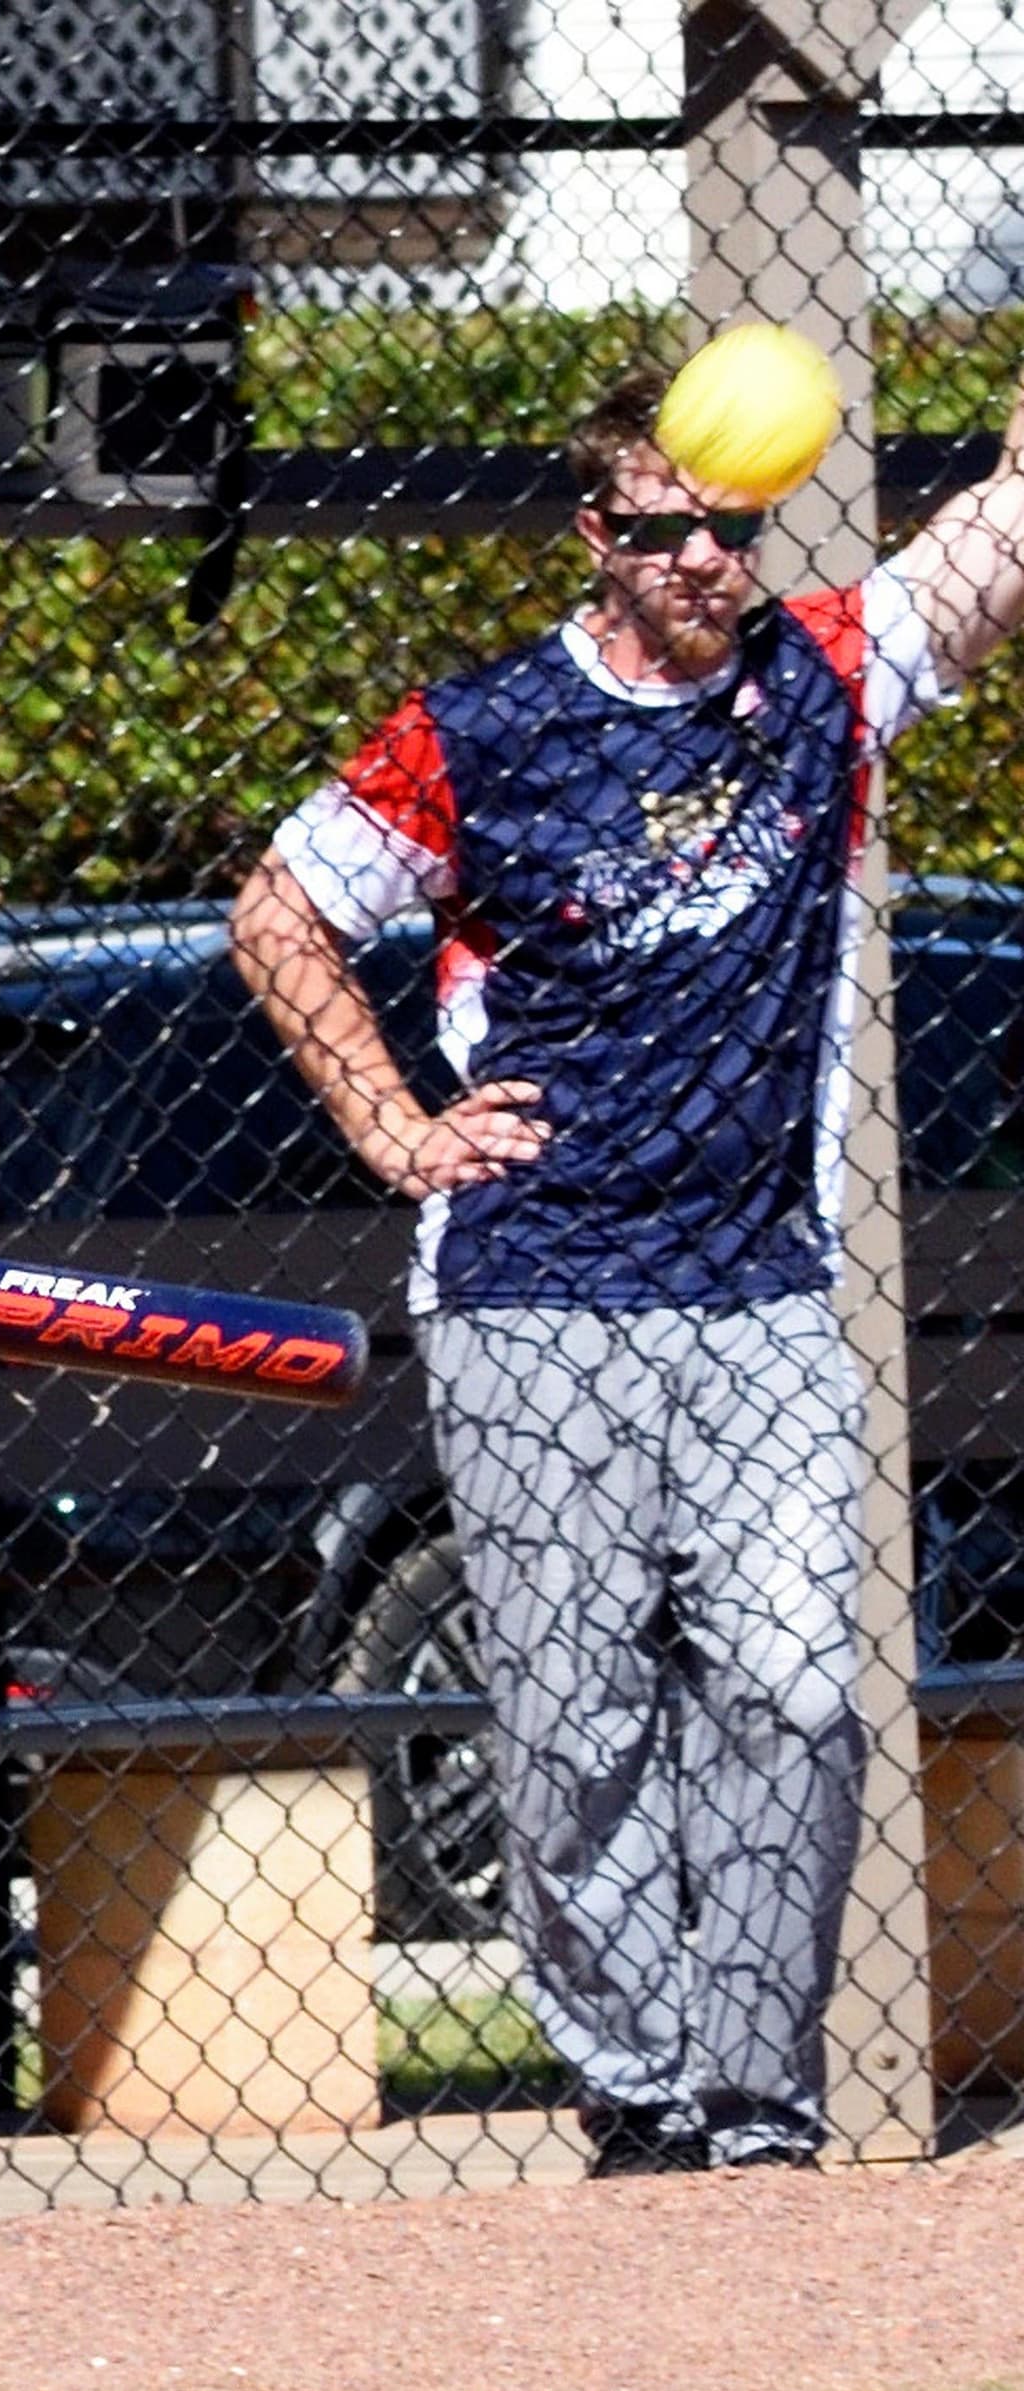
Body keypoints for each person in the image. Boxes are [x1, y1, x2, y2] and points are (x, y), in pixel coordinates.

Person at [235, 357, 1024, 2175]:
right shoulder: (479, 730)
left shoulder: (822, 679)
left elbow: (992, 546)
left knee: (797, 1688)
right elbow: (279, 911)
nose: (707, 563)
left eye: (733, 529)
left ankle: (754, 2099)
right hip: (534, 1291)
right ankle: (641, 2084)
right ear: (595, 537)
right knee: (575, 1718)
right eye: (668, 533)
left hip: (758, 1290)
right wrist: (393, 1126)